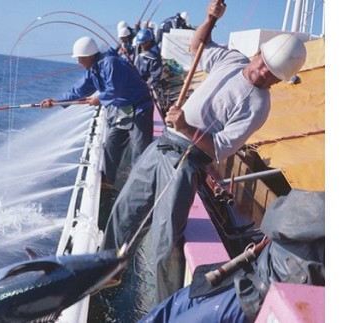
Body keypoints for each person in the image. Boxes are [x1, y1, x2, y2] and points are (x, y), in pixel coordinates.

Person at [102, 0, 307, 302]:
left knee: (164, 241)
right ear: (257, 53)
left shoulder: (259, 106)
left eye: (271, 74)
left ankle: (165, 307)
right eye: (263, 63)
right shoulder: (231, 60)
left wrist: (185, 127)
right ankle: (105, 272)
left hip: (186, 162)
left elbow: (221, 148)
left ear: (279, 81)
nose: (262, 73)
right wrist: (210, 19)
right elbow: (198, 45)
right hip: (163, 145)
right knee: (124, 211)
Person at [139, 189, 325, 322]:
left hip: (249, 298)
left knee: (168, 311)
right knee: (169, 310)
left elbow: (275, 214)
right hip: (243, 281)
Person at [40, 36, 154, 190]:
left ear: (89, 56)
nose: (78, 62)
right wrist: (55, 101)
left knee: (140, 150)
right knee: (112, 144)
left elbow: (115, 89)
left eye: (80, 58)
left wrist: (99, 98)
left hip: (140, 108)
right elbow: (78, 90)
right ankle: (107, 182)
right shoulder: (93, 69)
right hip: (125, 110)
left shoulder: (110, 63)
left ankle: (141, 188)